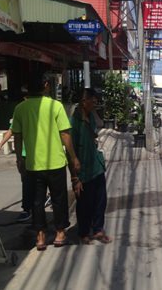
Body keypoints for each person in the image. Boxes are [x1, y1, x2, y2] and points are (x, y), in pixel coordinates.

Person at [12, 71, 80, 251]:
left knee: (37, 201)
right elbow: (65, 134)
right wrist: (73, 157)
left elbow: (17, 138)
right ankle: (59, 233)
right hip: (56, 163)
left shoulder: (20, 108)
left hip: (33, 164)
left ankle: (40, 236)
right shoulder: (55, 106)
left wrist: (19, 159)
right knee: (58, 199)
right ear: (46, 86)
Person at [70, 88, 111, 245]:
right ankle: (83, 232)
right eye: (92, 100)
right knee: (84, 203)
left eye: (96, 100)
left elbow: (95, 133)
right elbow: (70, 150)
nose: (95, 103)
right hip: (83, 169)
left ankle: (98, 229)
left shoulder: (91, 118)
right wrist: (74, 177)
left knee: (100, 200)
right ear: (83, 101)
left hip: (96, 166)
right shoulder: (74, 122)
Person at [0, 125, 34, 222]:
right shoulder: (20, 110)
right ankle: (27, 209)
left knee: (39, 182)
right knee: (26, 182)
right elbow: (12, 129)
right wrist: (0, 145)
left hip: (41, 153)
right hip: (25, 154)